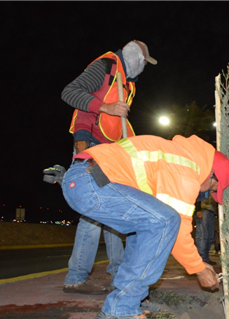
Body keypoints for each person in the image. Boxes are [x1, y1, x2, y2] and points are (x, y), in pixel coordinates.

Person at [61, 134, 229, 319]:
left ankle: (134, 300)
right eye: (212, 187)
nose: (207, 193)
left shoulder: (181, 156)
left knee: (148, 225)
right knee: (165, 221)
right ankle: (121, 310)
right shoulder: (186, 168)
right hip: (92, 181)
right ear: (212, 174)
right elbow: (178, 230)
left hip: (85, 178)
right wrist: (199, 268)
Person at [61, 40, 157, 294]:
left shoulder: (127, 83)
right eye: (144, 63)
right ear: (135, 57)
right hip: (89, 146)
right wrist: (105, 107)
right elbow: (70, 92)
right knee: (92, 210)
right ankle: (76, 276)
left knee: (114, 209)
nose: (144, 68)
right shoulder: (104, 67)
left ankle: (118, 269)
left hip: (111, 152)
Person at [195, 195, 218, 265]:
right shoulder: (203, 185)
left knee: (209, 236)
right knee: (202, 235)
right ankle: (202, 259)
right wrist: (198, 209)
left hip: (210, 210)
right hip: (203, 209)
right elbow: (198, 195)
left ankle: (205, 258)